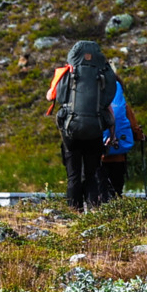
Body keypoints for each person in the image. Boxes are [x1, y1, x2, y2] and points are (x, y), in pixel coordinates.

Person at [46, 40, 121, 211]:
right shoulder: (101, 75)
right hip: (94, 130)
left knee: (73, 175)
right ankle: (93, 210)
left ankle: (74, 211)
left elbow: (51, 97)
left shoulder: (66, 73)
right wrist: (112, 134)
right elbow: (109, 108)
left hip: (71, 130)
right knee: (91, 174)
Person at [99, 78, 140, 204]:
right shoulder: (123, 106)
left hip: (99, 156)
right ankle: (115, 211)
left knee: (101, 189)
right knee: (117, 190)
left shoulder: (94, 104)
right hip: (119, 155)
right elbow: (133, 126)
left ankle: (100, 211)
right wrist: (140, 136)